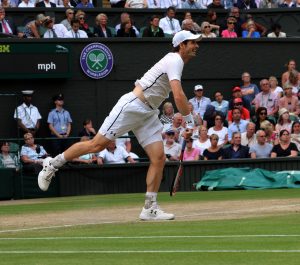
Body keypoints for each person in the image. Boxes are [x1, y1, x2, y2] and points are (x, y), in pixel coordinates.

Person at [38, 30, 200, 221]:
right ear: (182, 45)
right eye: (192, 42)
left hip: (148, 113)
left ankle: (149, 208)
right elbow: (178, 95)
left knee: (159, 158)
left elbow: (178, 96)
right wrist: (189, 122)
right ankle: (53, 163)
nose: (196, 45)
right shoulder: (175, 59)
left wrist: (187, 122)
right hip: (132, 106)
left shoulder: (176, 61)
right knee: (96, 145)